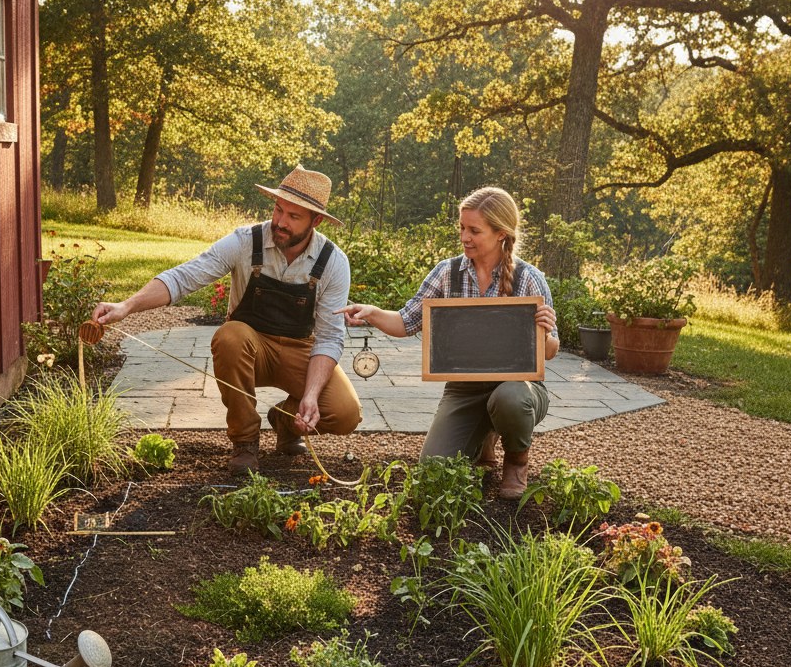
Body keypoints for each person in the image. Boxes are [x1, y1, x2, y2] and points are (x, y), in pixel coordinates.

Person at [92, 166, 362, 475]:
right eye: (278, 210)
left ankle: (285, 420)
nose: (280, 222)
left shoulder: (333, 262)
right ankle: (245, 441)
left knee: (345, 413)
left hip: (300, 349)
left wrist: (311, 396)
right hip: (248, 347)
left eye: (293, 216)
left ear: (316, 221)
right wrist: (127, 306)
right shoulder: (247, 241)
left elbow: (329, 337)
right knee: (230, 336)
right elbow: (185, 276)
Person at [337, 186, 558, 499]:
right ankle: (484, 434)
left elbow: (549, 352)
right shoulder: (447, 273)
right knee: (432, 475)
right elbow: (406, 322)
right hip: (464, 388)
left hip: (518, 386)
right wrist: (371, 312)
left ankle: (515, 460)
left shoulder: (528, 278)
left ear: (501, 234)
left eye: (474, 230)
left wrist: (546, 332)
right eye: (462, 228)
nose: (464, 237)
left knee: (509, 399)